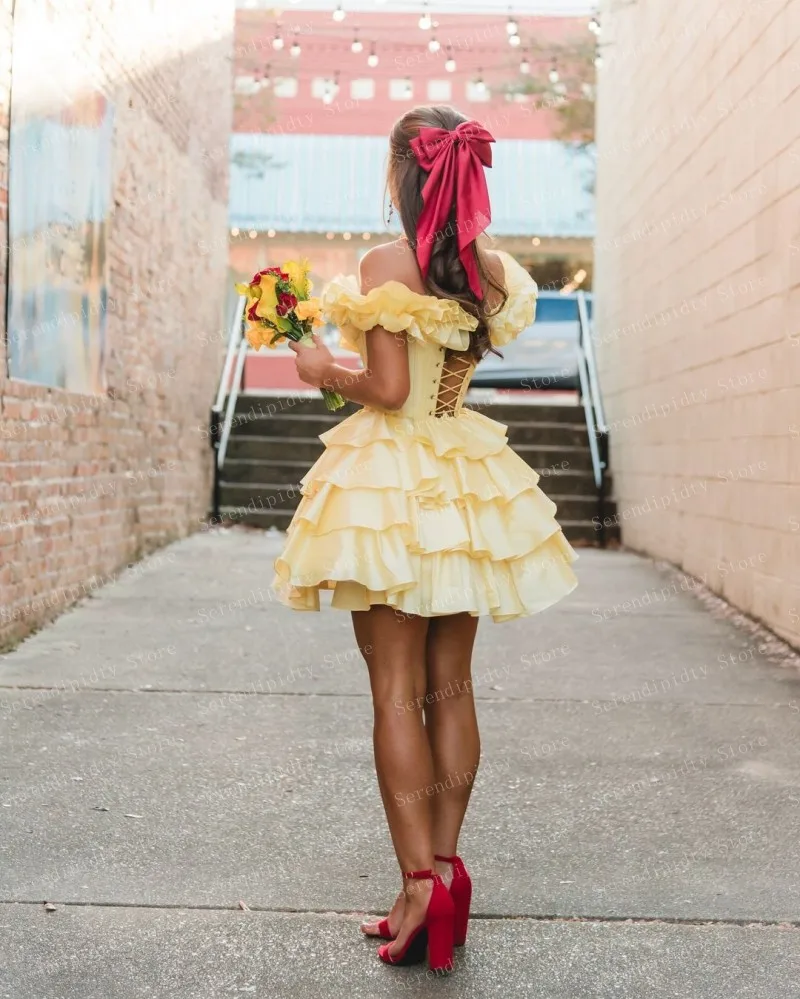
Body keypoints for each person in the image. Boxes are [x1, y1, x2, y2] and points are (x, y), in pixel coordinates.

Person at [277, 105, 578, 974]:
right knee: (452, 686)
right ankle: (445, 869)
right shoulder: (486, 270)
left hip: (390, 489)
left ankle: (419, 886)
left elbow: (386, 384)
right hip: (463, 482)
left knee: (393, 691)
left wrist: (317, 369)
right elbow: (430, 385)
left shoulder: (384, 264)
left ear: (402, 173)